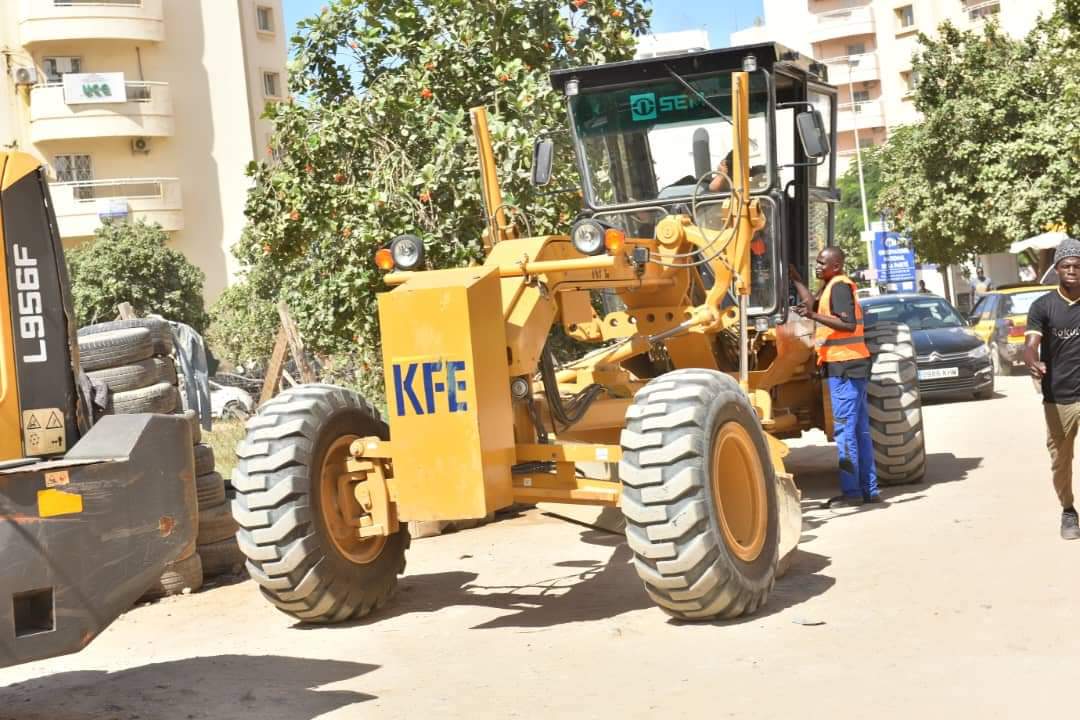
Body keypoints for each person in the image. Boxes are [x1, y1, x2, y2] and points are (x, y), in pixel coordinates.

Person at [791, 248, 881, 507]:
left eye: (822, 263)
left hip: (845, 366)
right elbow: (812, 304)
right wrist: (796, 278)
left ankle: (852, 494)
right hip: (852, 364)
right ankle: (869, 490)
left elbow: (848, 323)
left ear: (837, 265)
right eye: (817, 262)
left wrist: (813, 316)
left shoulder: (840, 287)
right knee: (860, 430)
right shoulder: (831, 285)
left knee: (845, 432)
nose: (818, 266)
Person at [1024, 238, 1080, 540]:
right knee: (1061, 460)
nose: (1072, 270)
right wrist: (1033, 362)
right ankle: (1068, 510)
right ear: (1057, 269)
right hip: (1059, 395)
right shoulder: (1043, 306)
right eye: (1066, 266)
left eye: (1077, 266)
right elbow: (1031, 345)